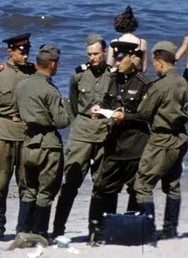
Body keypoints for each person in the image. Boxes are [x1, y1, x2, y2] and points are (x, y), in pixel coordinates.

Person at [88, 41, 152, 245]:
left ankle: (133, 231)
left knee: (135, 190)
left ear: (133, 58)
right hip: (114, 145)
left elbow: (147, 115)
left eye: (121, 57)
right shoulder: (113, 78)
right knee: (103, 188)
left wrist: (126, 117)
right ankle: (99, 230)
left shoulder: (143, 83)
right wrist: (100, 109)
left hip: (135, 146)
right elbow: (108, 101)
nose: (117, 61)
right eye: (115, 57)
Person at [52, 34, 112, 238]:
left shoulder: (113, 75)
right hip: (81, 133)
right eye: (89, 54)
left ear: (104, 53)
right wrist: (80, 123)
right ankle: (58, 229)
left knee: (102, 184)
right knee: (71, 183)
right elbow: (74, 104)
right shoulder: (78, 75)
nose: (92, 57)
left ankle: (95, 231)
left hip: (104, 132)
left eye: (96, 54)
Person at [0, 33, 36, 242]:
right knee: (0, 184)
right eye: (21, 51)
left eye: (27, 50)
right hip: (3, 135)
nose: (25, 55)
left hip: (27, 136)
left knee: (27, 184)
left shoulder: (34, 73)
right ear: (10, 51)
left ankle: (23, 227)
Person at [134, 41, 188, 240]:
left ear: (159, 61)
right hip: (179, 138)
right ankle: (170, 228)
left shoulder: (159, 86)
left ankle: (148, 230)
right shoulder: (183, 82)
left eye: (154, 62)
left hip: (161, 140)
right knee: (173, 185)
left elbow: (143, 112)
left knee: (142, 185)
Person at [14, 44, 70, 242]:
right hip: (48, 144)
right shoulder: (50, 90)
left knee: (29, 189)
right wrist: (68, 107)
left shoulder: (21, 85)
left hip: (28, 142)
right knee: (46, 192)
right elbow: (61, 121)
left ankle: (22, 230)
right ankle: (39, 233)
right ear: (52, 64)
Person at [107, 6, 148, 73]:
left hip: (119, 75)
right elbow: (144, 69)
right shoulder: (142, 42)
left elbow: (109, 66)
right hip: (134, 77)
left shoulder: (114, 42)